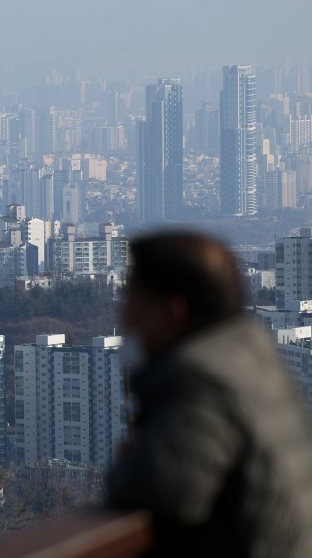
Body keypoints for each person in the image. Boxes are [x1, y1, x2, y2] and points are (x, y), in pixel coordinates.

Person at [107, 231, 312, 556]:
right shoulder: (249, 352)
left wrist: (130, 462)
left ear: (173, 312)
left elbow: (165, 488)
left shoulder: (201, 377)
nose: (124, 315)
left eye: (132, 299)